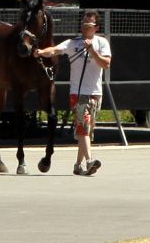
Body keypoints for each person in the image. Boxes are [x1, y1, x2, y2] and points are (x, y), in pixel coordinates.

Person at [34, 10, 111, 176]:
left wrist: (93, 52)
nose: (84, 27)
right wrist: (40, 52)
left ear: (96, 27)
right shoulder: (72, 43)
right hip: (79, 93)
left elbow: (106, 64)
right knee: (83, 127)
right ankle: (90, 161)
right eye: (83, 24)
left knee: (87, 131)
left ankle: (77, 165)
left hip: (96, 93)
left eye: (88, 25)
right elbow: (55, 50)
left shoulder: (102, 43)